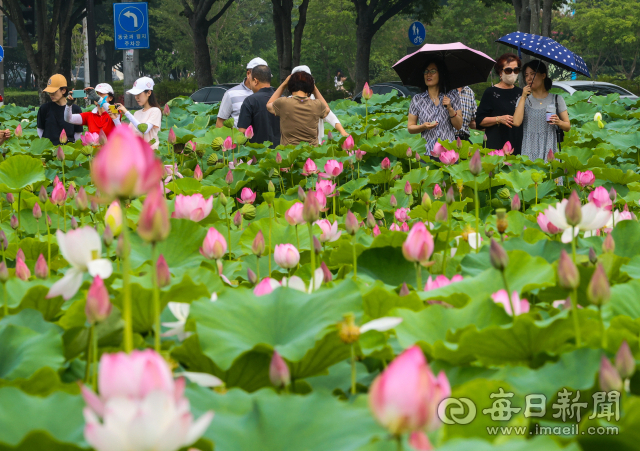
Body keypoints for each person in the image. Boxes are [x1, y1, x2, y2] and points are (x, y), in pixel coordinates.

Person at [513, 60, 570, 161]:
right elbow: (516, 122)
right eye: (526, 75)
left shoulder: (557, 99)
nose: (529, 78)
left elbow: (567, 126)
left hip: (550, 148)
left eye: (533, 74)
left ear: (543, 75)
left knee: (550, 175)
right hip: (529, 148)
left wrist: (559, 122)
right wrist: (523, 97)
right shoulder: (523, 100)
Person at [407, 60, 463, 157]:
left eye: (433, 71)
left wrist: (450, 108)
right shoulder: (417, 99)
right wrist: (423, 126)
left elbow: (458, 126)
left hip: (448, 153)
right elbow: (410, 128)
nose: (428, 74)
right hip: (427, 152)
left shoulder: (452, 96)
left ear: (441, 74)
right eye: (426, 71)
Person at [475, 53, 524, 153]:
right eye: (508, 70)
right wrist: (499, 119)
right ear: (500, 72)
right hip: (496, 144)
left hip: (518, 143)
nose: (513, 73)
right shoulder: (491, 92)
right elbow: (479, 121)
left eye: (516, 70)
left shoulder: (521, 93)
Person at [267, 71, 330, 146]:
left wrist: (284, 84)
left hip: (288, 153)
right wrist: (315, 89)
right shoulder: (317, 105)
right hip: (311, 153)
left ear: (290, 86)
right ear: (311, 87)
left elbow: (268, 105)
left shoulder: (283, 103)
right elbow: (327, 110)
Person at [291, 65, 348, 141]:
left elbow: (330, 116)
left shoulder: (316, 102)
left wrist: (343, 132)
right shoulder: (287, 102)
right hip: (295, 147)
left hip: (315, 146)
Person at [216, 57, 268, 128]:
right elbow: (220, 122)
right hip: (238, 138)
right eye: (259, 76)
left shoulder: (270, 94)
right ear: (248, 74)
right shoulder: (231, 94)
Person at [237, 65, 280, 146]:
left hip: (257, 153)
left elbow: (242, 131)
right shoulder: (282, 99)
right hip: (281, 152)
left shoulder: (250, 101)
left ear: (256, 81)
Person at [116, 77, 162, 149]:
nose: (136, 97)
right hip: (137, 153)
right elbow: (126, 134)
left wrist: (126, 112)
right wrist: (115, 118)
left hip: (150, 154)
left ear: (149, 93)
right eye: (135, 94)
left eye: (138, 94)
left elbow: (144, 130)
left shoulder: (155, 111)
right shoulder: (136, 113)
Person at [37, 74, 83, 145]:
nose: (51, 94)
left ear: (63, 91)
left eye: (54, 92)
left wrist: (71, 146)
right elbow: (40, 129)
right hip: (48, 150)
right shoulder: (44, 109)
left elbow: (78, 132)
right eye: (49, 92)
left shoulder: (75, 109)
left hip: (69, 149)